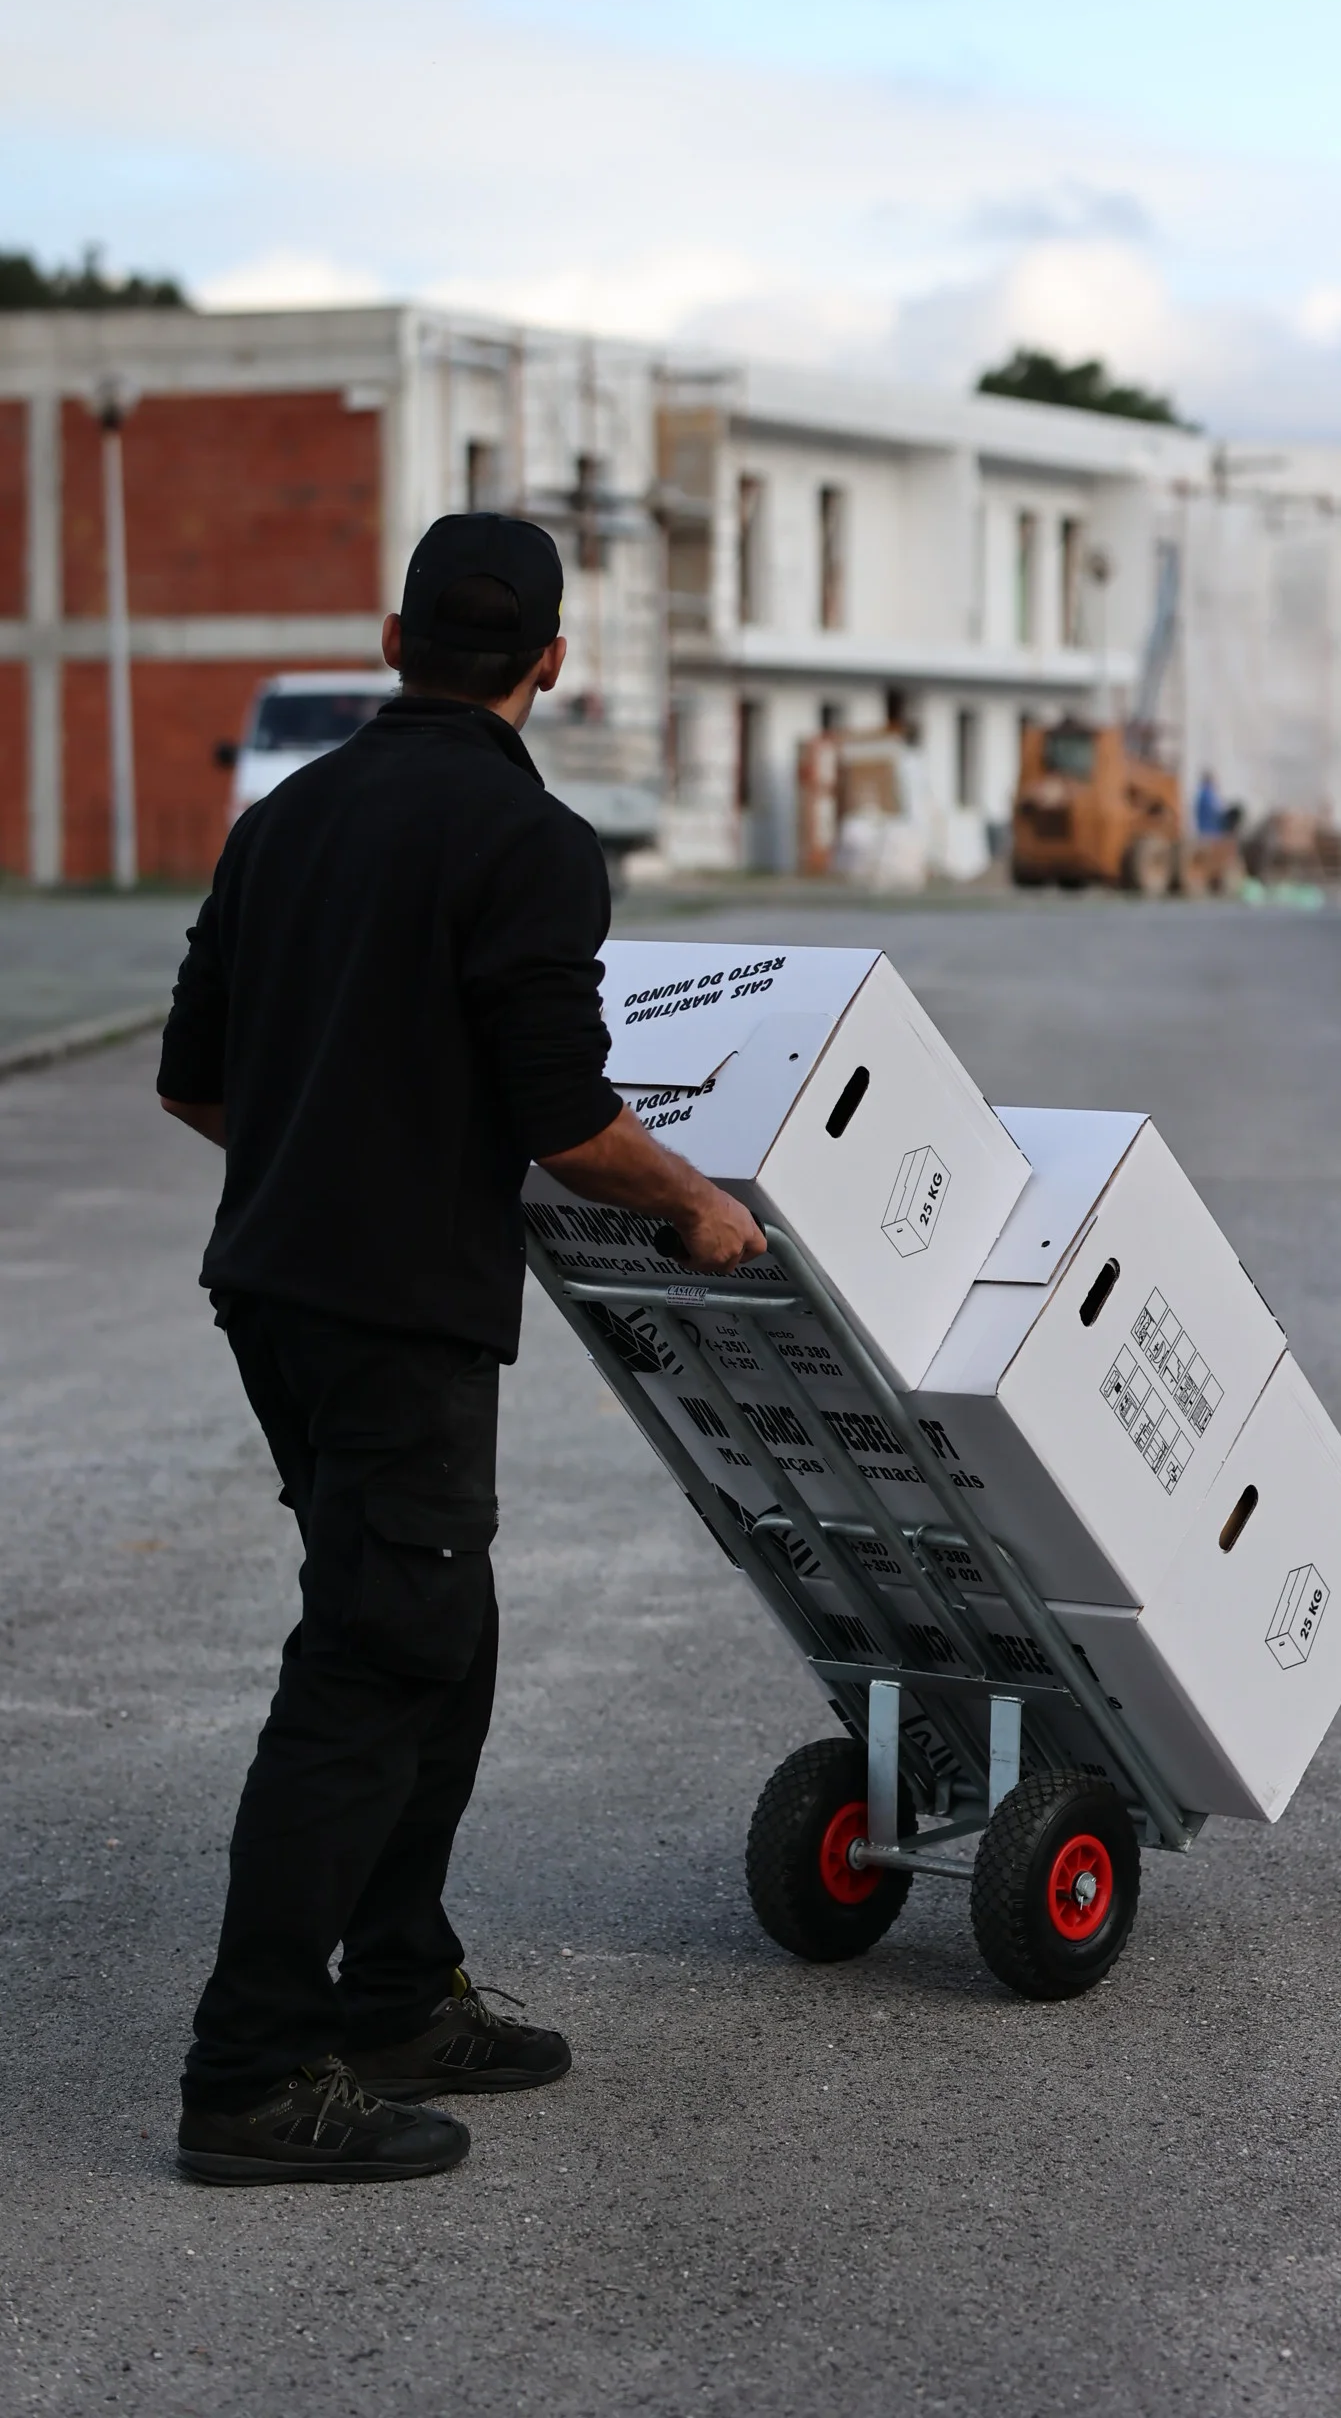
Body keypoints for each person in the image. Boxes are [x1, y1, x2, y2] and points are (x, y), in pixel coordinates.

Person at [157, 512, 763, 2187]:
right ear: (550, 666)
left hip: (276, 1293)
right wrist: (700, 1209)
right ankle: (254, 2077)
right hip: (387, 1313)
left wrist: (325, 1162)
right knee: (372, 1660)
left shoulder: (287, 823)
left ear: (391, 639)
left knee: (435, 1623)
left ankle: (400, 1993)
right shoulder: (529, 840)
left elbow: (193, 1082)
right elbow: (567, 1120)